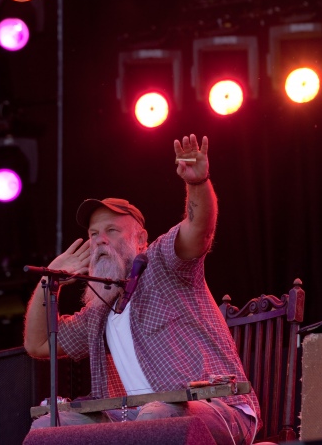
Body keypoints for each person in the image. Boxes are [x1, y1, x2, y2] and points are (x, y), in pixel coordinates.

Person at [24, 134, 261, 443]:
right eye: (94, 234)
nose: (100, 241)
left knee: (155, 418)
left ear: (141, 239)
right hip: (139, 420)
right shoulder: (98, 309)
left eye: (111, 230)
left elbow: (199, 232)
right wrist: (49, 284)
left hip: (220, 411)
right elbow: (38, 344)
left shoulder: (161, 265)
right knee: (48, 427)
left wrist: (198, 183)